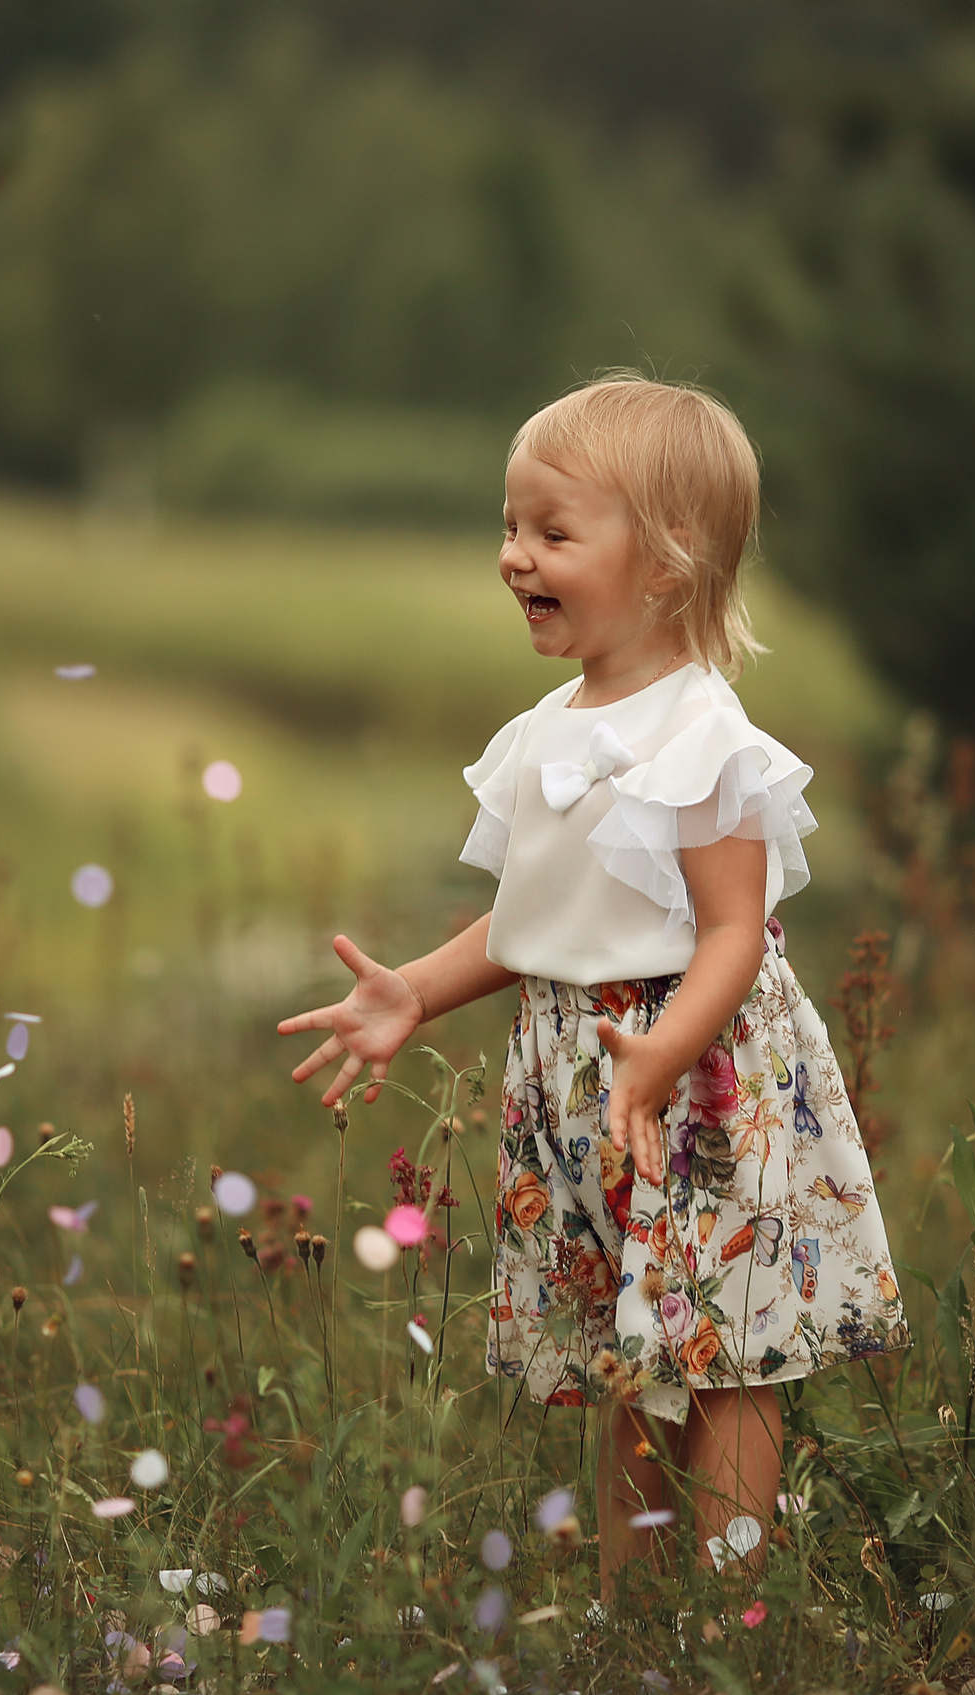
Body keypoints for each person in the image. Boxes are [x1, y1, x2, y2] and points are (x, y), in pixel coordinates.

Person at [277, 374, 905, 1605]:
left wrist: (665, 1054)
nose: (515, 556)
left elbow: (733, 933)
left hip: (698, 1075)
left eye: (553, 533)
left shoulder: (706, 740)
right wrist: (411, 990)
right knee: (624, 1356)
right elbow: (531, 925)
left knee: (720, 1351)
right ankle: (634, 1615)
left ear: (667, 563)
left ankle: (728, 1617)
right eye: (510, 529)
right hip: (578, 1079)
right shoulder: (541, 734)